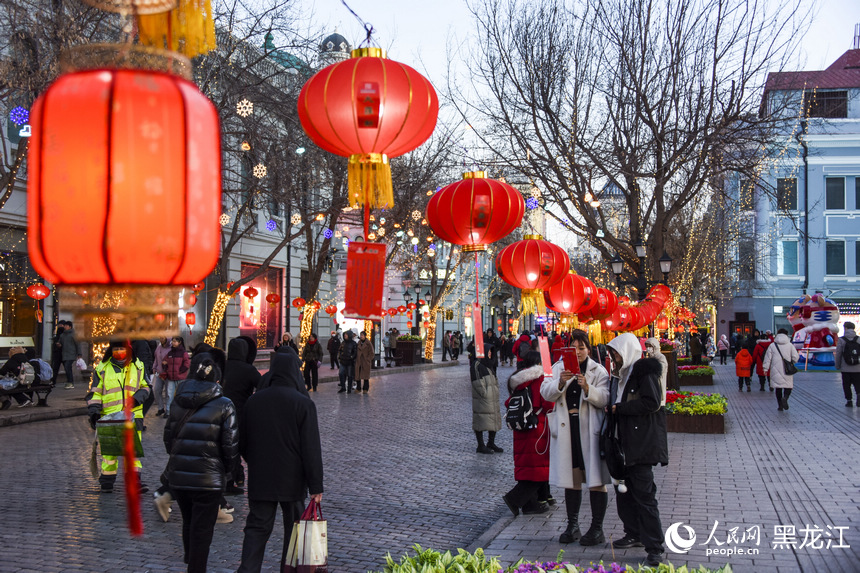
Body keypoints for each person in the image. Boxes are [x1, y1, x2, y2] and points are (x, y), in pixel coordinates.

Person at [237, 344, 324, 573]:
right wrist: (316, 485)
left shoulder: (254, 401)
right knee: (295, 531)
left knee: (257, 528)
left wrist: (256, 460)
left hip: (261, 478)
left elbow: (242, 442)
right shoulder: (303, 403)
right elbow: (311, 448)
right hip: (292, 479)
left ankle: (248, 569)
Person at [164, 356, 238, 573]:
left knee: (189, 520)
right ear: (217, 380)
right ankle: (196, 567)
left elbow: (168, 437)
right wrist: (226, 470)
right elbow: (230, 444)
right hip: (209, 478)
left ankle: (190, 558)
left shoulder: (178, 400)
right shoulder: (225, 404)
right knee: (203, 528)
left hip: (180, 475)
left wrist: (178, 457)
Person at [541, 330, 610, 545]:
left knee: (596, 480)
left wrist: (587, 388)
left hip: (590, 430)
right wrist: (561, 383)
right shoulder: (558, 368)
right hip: (566, 428)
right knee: (572, 480)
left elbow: (605, 397)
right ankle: (572, 525)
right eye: (574, 347)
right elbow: (546, 391)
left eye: (582, 347)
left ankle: (597, 528)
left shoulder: (597, 371)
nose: (578, 352)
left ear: (589, 349)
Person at [607, 332, 667, 567]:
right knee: (625, 492)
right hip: (623, 442)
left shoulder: (643, 371)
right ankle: (633, 532)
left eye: (616, 354)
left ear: (627, 352)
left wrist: (620, 409)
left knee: (644, 496)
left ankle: (654, 546)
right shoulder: (620, 376)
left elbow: (652, 402)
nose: (614, 359)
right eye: (612, 355)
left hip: (641, 443)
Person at [89, 340, 150, 493]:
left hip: (133, 415)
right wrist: (94, 411)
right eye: (116, 348)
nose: (119, 351)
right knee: (109, 452)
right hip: (110, 416)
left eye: (121, 348)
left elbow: (146, 387)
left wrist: (137, 398)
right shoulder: (102, 368)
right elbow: (95, 392)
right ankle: (107, 481)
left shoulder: (138, 366)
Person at [501, 351, 552, 516]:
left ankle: (530, 505)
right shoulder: (540, 379)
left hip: (520, 428)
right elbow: (548, 403)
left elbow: (509, 402)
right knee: (538, 468)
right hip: (537, 428)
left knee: (526, 467)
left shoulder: (518, 380)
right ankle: (514, 499)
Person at [222, 336, 261, 489]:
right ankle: (240, 476)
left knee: (227, 446)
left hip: (221, 413)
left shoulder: (222, 366)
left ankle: (234, 477)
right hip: (241, 414)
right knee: (241, 446)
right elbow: (262, 385)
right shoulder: (249, 370)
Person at [469, 344, 503, 454]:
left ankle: (491, 442)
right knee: (480, 420)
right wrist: (485, 393)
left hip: (491, 397)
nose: (490, 354)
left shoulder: (489, 365)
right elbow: (477, 382)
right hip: (483, 398)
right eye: (488, 351)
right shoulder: (477, 364)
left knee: (493, 419)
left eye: (491, 352)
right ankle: (480, 445)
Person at [763, 328, 800, 411]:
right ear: (786, 335)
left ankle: (780, 406)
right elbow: (795, 357)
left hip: (775, 369)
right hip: (787, 369)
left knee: (778, 388)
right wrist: (792, 362)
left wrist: (765, 368)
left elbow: (767, 358)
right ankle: (785, 398)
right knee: (788, 386)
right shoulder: (790, 345)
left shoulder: (772, 345)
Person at [163, 336, 190, 416]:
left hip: (180, 378)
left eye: (175, 341)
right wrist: (166, 369)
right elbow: (164, 361)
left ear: (179, 342)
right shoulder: (170, 353)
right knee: (169, 395)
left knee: (180, 394)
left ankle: (180, 411)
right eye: (172, 341)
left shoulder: (183, 353)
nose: (173, 343)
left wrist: (180, 371)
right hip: (171, 377)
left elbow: (187, 363)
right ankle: (168, 411)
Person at [835, 321, 860, 407]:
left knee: (846, 385)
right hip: (858, 367)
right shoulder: (858, 339)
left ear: (845, 328)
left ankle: (849, 401)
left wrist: (837, 365)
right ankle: (859, 396)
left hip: (845, 367)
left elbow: (838, 353)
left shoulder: (842, 340)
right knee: (858, 383)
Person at [643, 338, 668, 405]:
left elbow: (660, 369)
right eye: (647, 346)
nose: (648, 348)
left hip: (659, 383)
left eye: (650, 346)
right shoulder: (649, 358)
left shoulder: (661, 357)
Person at [152, 337, 171, 417]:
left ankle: (168, 410)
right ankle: (160, 408)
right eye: (160, 338)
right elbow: (156, 359)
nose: (161, 339)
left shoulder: (171, 348)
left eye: (163, 338)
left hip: (168, 374)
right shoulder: (159, 347)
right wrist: (154, 367)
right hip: (159, 373)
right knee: (156, 390)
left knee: (168, 393)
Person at [60, 320, 78, 388]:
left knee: (67, 367)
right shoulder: (62, 335)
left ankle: (70, 382)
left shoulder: (74, 335)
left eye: (66, 326)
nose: (65, 327)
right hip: (64, 354)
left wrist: (79, 354)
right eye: (64, 325)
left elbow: (77, 344)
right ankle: (69, 381)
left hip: (71, 354)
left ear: (70, 327)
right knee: (67, 368)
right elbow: (60, 342)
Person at [50, 321, 65, 385]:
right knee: (55, 368)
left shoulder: (63, 335)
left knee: (66, 368)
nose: (60, 326)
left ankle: (53, 381)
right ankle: (53, 381)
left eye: (61, 325)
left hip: (62, 353)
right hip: (58, 353)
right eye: (59, 325)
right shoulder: (58, 335)